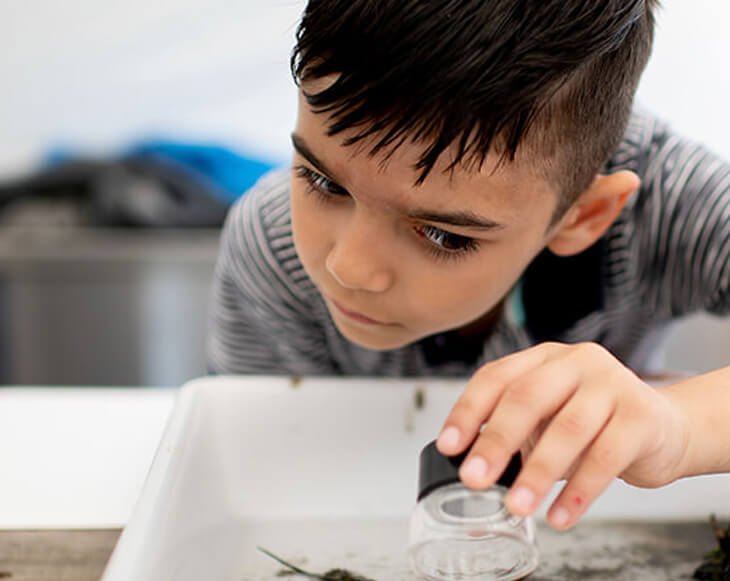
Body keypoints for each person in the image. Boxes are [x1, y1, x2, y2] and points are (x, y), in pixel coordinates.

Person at [207, 0, 730, 531]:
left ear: (584, 215)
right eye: (323, 181)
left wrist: (681, 427)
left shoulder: (671, 202)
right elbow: (260, 476)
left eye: (442, 235)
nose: (349, 268)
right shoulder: (272, 243)